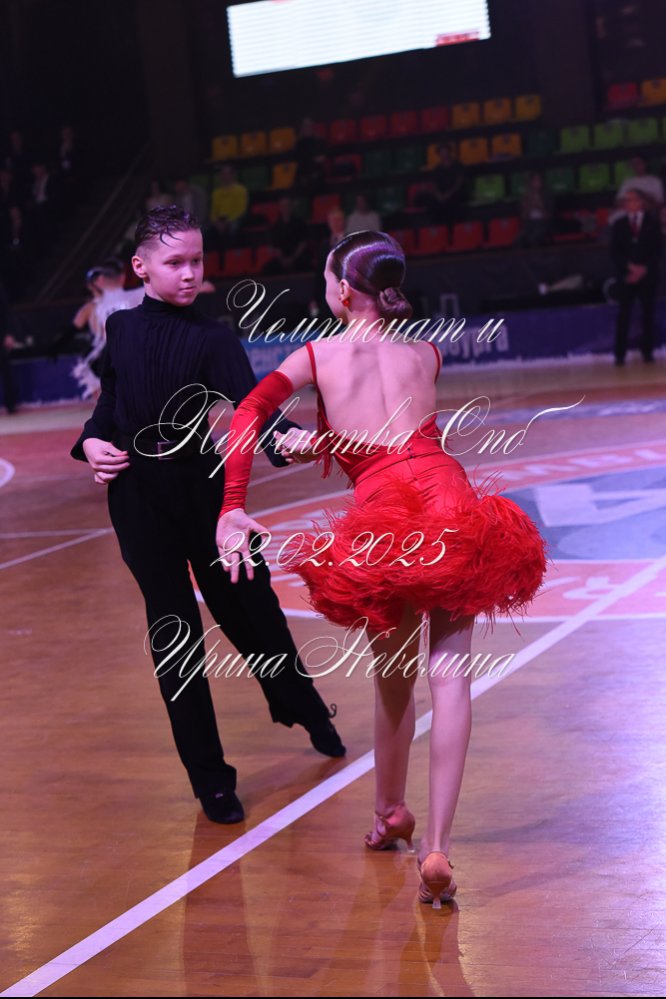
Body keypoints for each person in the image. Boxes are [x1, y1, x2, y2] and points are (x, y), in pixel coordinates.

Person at [216, 230, 548, 907]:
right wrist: (324, 440)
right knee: (451, 679)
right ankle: (437, 847)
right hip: (450, 502)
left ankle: (390, 811)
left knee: (393, 677)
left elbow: (249, 413)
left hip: (388, 518)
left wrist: (233, 505)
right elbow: (400, 435)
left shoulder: (316, 354)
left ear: (342, 290)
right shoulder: (427, 353)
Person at [70, 205, 345, 825]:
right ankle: (210, 779)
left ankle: (303, 705)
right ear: (141, 268)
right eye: (176, 262)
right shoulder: (121, 327)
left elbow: (254, 408)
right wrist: (91, 441)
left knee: (253, 612)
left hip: (206, 494)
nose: (190, 273)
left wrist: (290, 440)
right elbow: (111, 398)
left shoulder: (214, 338)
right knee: (175, 635)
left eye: (197, 260)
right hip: (137, 499)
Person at [610, 188, 662, 365]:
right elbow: (615, 252)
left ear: (641, 202)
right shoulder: (619, 225)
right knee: (624, 314)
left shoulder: (652, 223)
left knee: (647, 314)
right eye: (626, 200)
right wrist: (629, 267)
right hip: (627, 276)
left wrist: (644, 269)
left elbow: (657, 251)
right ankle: (620, 354)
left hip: (647, 276)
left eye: (631, 199)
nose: (628, 203)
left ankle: (647, 352)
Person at [518, 172, 553, 247]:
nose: (537, 182)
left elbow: (549, 216)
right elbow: (523, 217)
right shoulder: (527, 197)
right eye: (535, 180)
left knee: (533, 239)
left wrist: (539, 206)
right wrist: (528, 207)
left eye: (539, 180)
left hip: (542, 223)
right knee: (519, 241)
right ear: (531, 182)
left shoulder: (547, 196)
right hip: (529, 224)